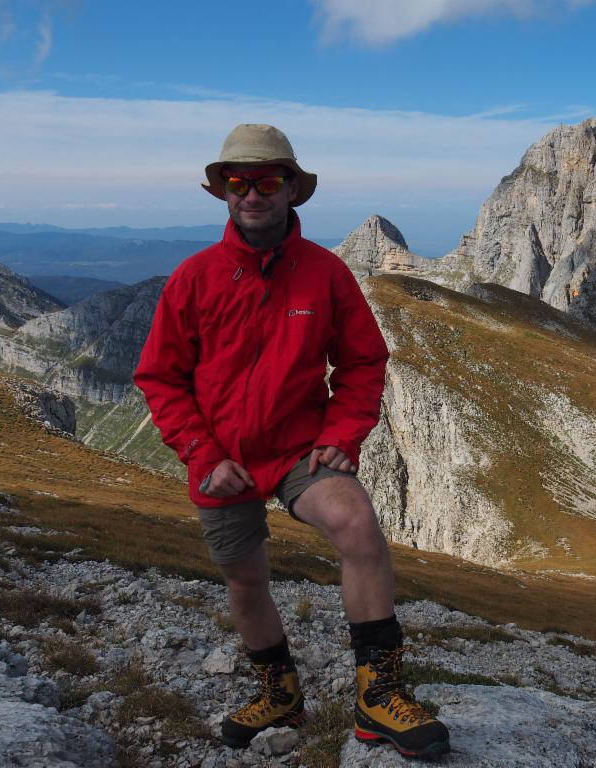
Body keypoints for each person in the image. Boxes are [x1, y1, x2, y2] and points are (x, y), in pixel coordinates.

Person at [133, 124, 450, 758]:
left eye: (268, 180)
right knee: (245, 583)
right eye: (239, 182)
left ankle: (377, 699)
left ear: (291, 191)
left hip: (301, 450)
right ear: (223, 192)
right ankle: (280, 693)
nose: (253, 193)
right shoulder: (193, 279)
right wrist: (201, 453)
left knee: (358, 527)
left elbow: (363, 362)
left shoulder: (326, 274)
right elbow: (160, 378)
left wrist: (342, 433)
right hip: (220, 460)